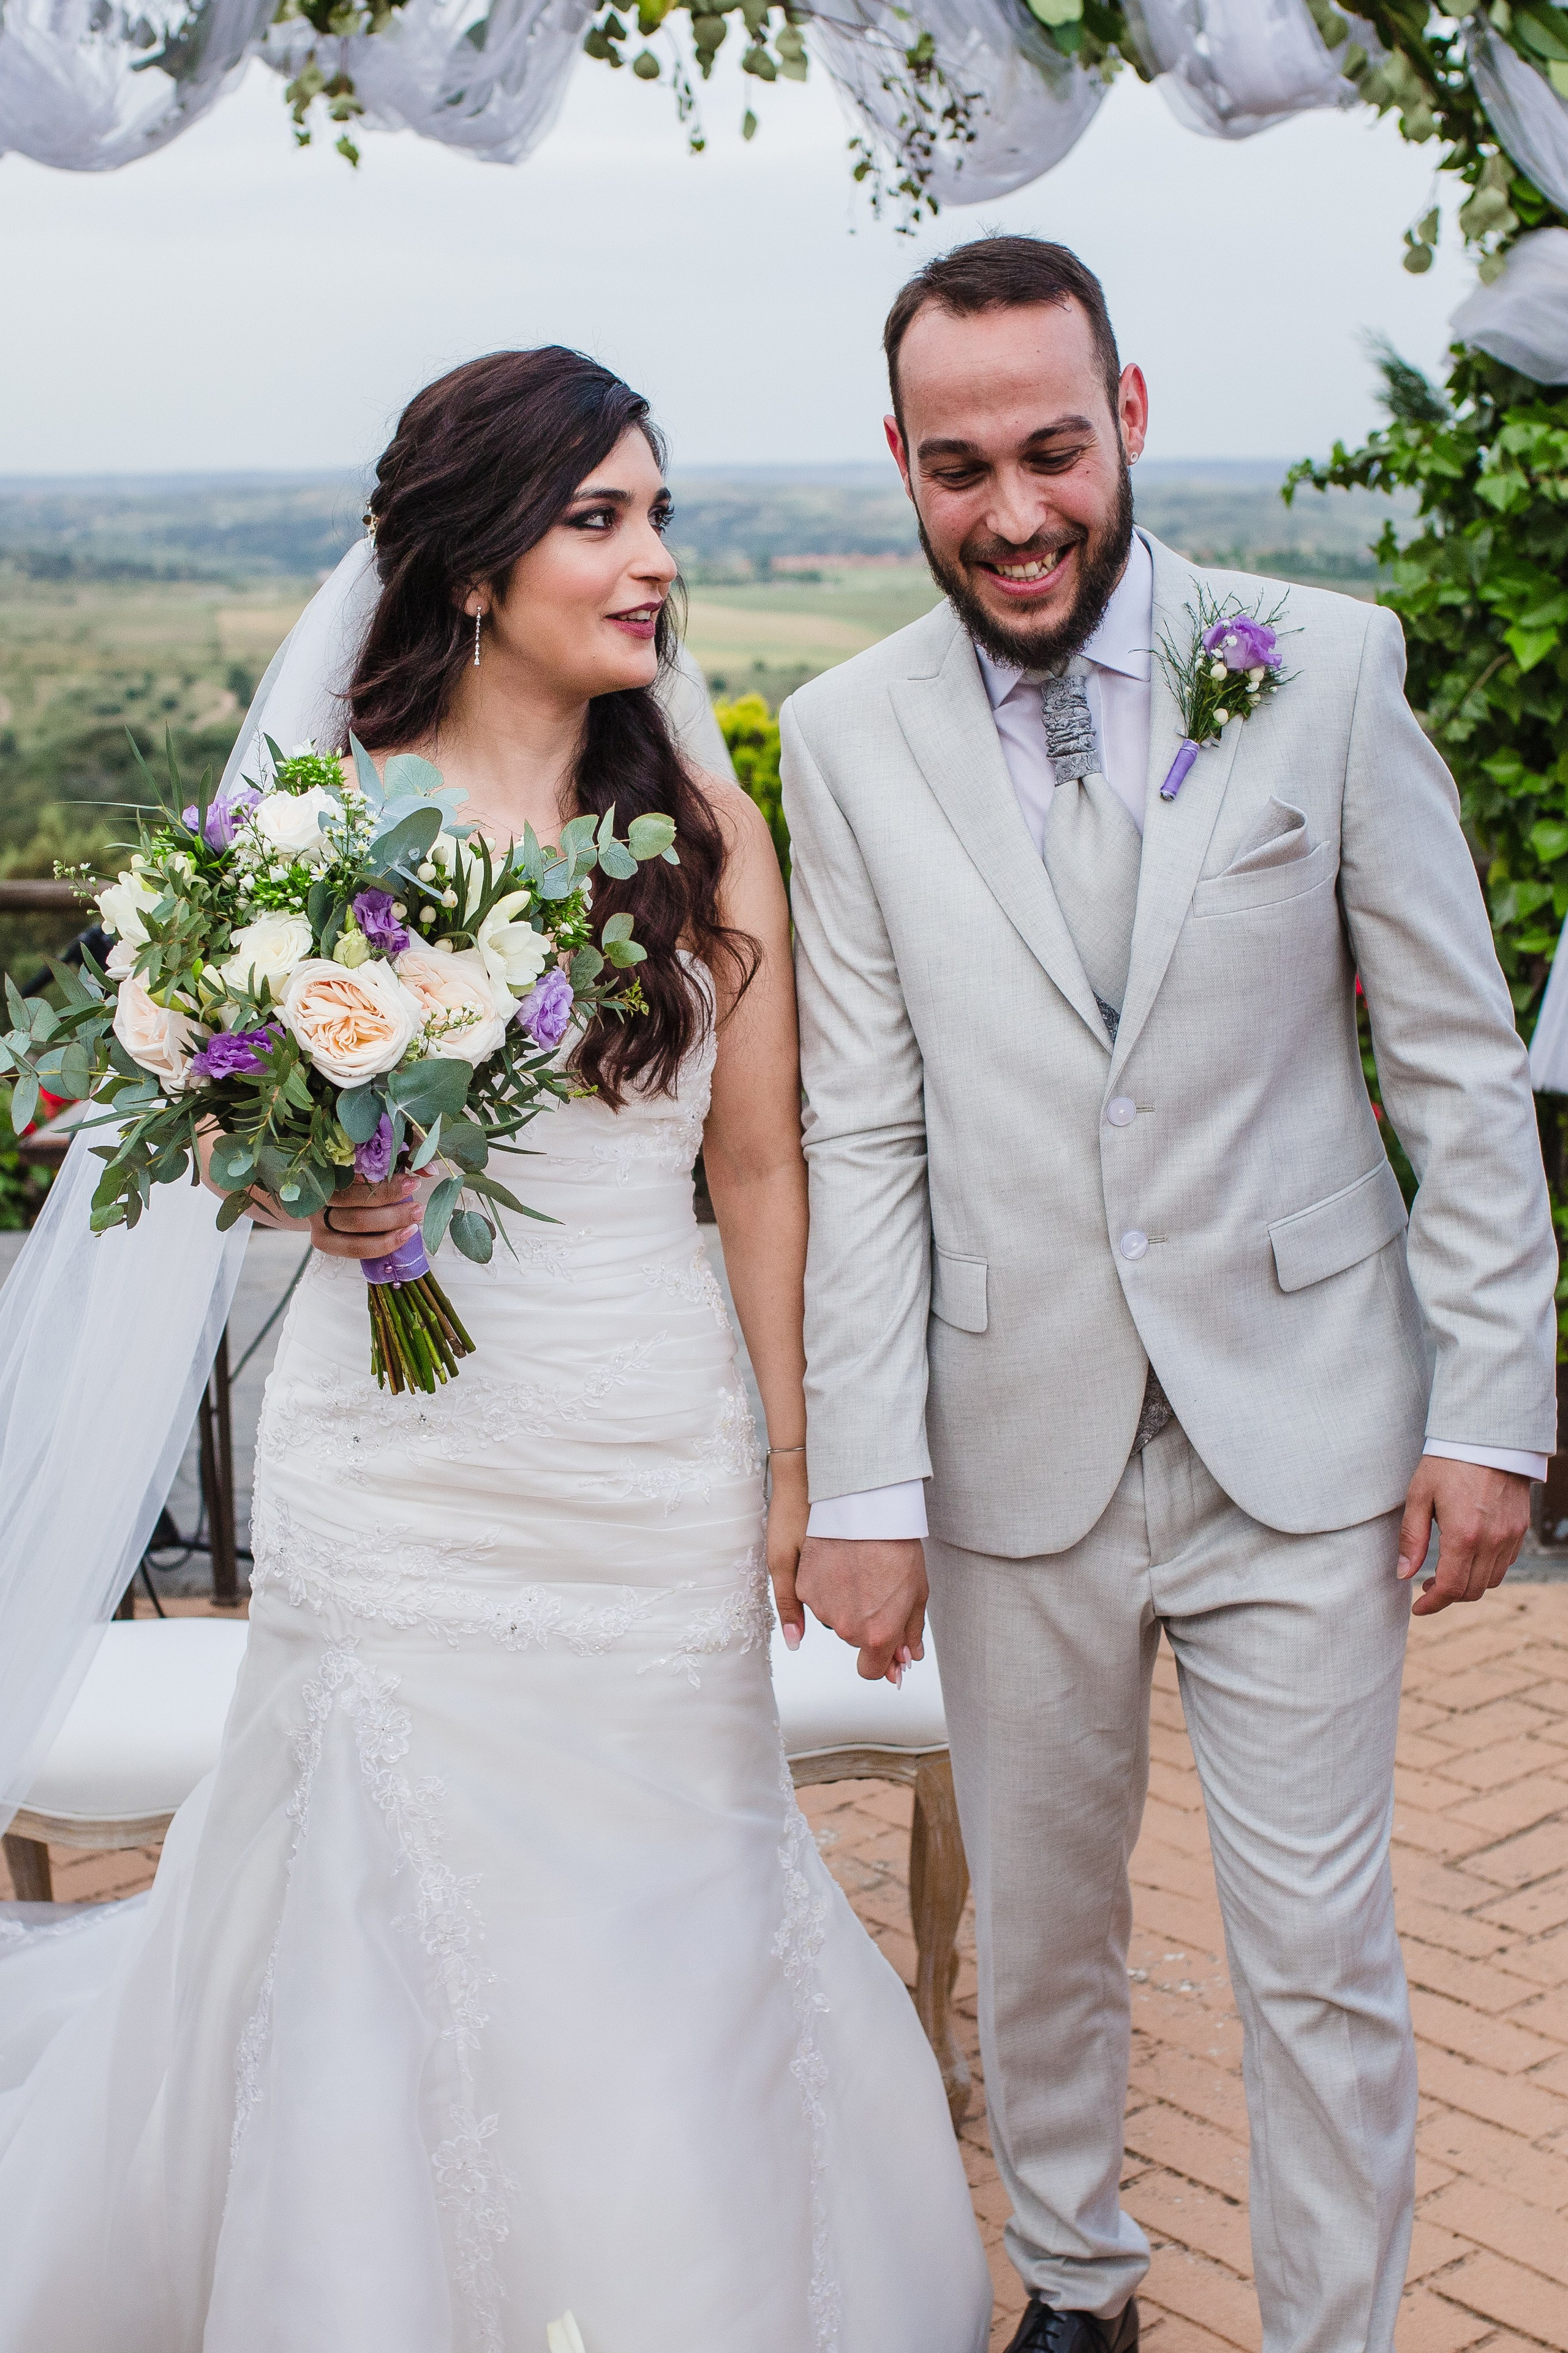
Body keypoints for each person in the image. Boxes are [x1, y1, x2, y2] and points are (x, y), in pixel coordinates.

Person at [0, 348, 992, 2353]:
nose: (653, 565)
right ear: (475, 568)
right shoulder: (324, 825)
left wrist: (799, 1466)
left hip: (650, 1442)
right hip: (402, 1459)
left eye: (661, 516)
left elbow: (764, 1162)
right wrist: (313, 1187)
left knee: (673, 1894)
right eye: (602, 521)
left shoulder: (702, 811)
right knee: (388, 1892)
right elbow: (206, 1106)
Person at [781, 236, 1557, 2353]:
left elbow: (1458, 1062)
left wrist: (1491, 1403)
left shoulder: (1324, 661)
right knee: (1040, 1933)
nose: (1013, 512)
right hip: (1007, 1433)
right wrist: (859, 1478)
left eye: (1050, 449)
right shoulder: (847, 740)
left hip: (1304, 1424)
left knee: (1316, 1949)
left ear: (1127, 418)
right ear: (902, 465)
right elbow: (862, 1135)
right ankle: (1085, 2286)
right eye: (960, 468)